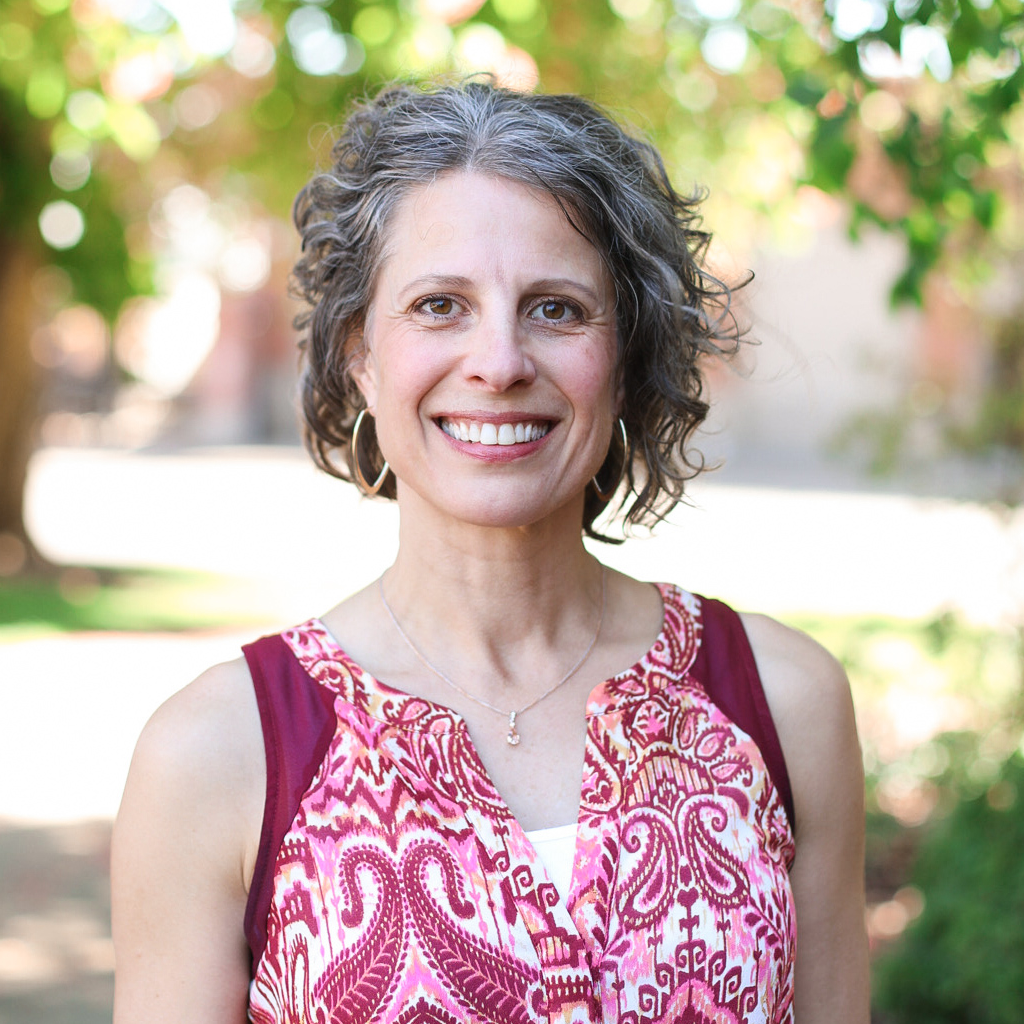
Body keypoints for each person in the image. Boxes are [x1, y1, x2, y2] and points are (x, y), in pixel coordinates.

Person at [111, 79, 869, 1023]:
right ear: (360, 355)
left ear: (625, 355)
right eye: (439, 305)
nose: (500, 362)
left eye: (555, 308)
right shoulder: (221, 755)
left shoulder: (779, 708)